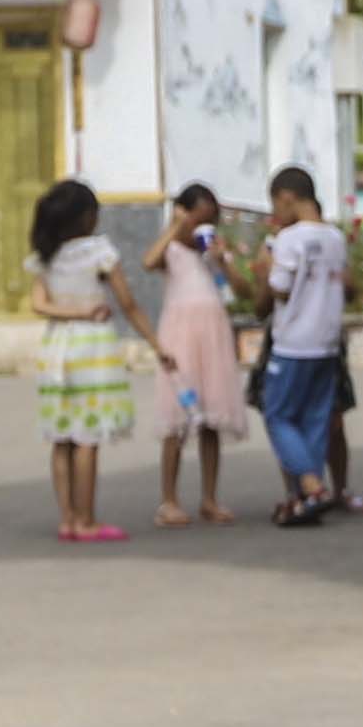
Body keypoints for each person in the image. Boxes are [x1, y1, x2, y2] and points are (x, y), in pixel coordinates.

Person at [26, 176, 151, 545]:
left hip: (56, 349)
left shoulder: (45, 255)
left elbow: (38, 305)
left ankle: (67, 520)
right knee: (87, 436)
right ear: (86, 217)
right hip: (92, 350)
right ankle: (87, 520)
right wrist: (156, 343)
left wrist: (71, 311)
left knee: (62, 436)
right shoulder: (99, 251)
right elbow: (128, 303)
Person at [144, 181, 254, 525]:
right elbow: (148, 261)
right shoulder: (172, 249)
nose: (203, 226)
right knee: (177, 418)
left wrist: (223, 262)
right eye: (198, 218)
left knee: (211, 419)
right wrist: (175, 227)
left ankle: (209, 498)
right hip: (180, 336)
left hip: (213, 337)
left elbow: (245, 291)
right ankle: (168, 500)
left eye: (210, 219)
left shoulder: (214, 251)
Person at [255, 165, 355, 526]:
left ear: (287, 198)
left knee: (278, 415)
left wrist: (266, 268)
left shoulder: (289, 239)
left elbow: (280, 290)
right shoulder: (335, 238)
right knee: (315, 420)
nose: (275, 215)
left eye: (275, 206)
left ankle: (311, 485)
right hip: (326, 343)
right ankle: (307, 499)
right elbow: (345, 285)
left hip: (293, 343)